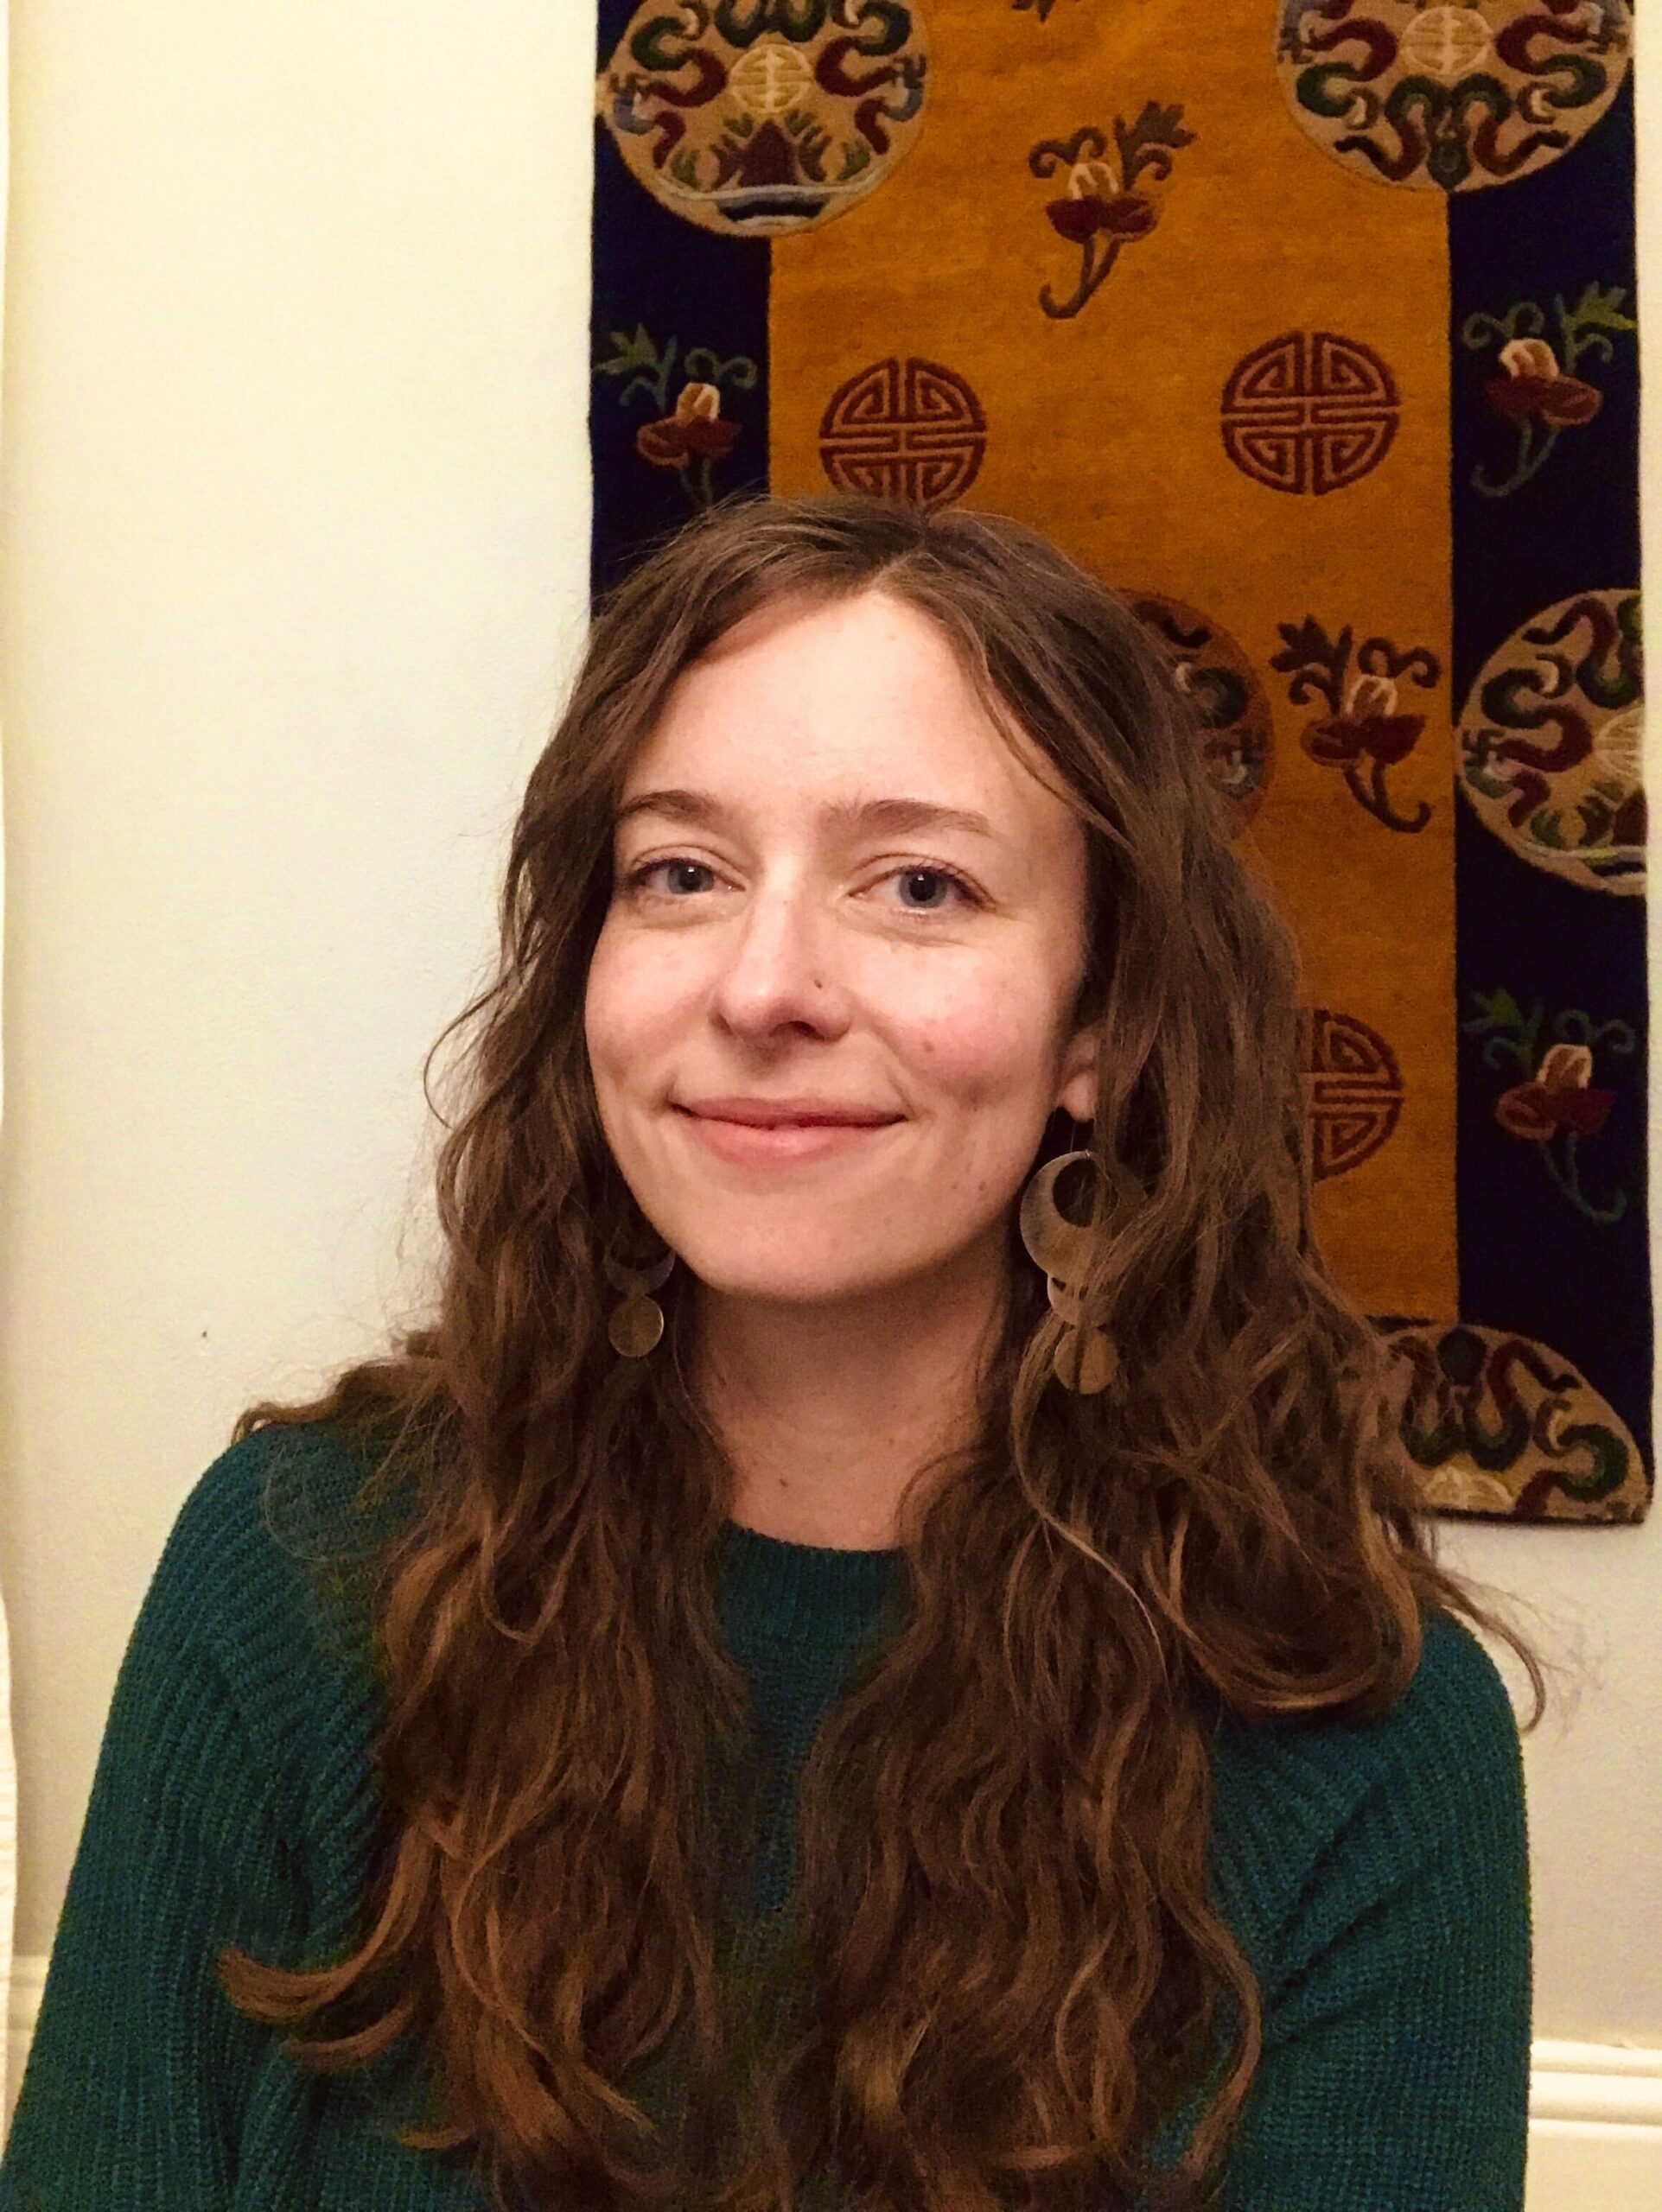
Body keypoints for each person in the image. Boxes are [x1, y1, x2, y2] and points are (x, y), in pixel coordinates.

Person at [0, 492, 1540, 2212]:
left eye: (917, 882)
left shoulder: (1357, 1732)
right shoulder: (296, 1565)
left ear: (1096, 1024)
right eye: (680, 871)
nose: (763, 981)